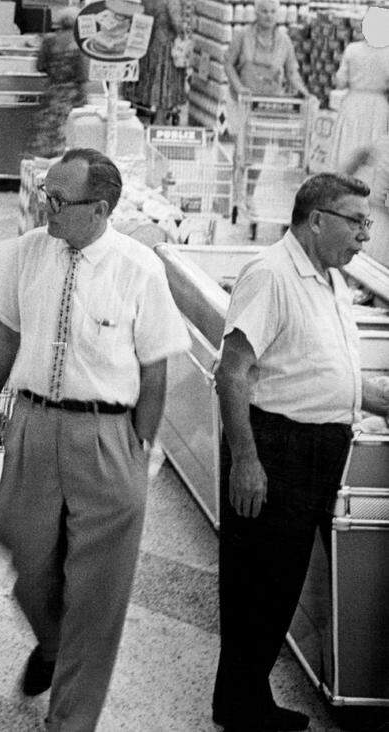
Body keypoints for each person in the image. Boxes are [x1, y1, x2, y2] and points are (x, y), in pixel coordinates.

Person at [0, 147, 190, 732]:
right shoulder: (29, 253)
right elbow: (5, 334)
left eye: (59, 201)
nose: (48, 208)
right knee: (23, 550)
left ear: (100, 209)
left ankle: (72, 719)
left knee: (98, 591)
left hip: (107, 435)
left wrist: (137, 453)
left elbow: (156, 371)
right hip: (34, 426)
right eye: (47, 195)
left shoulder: (139, 268)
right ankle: (51, 644)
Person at [212, 173, 389, 732]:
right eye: (355, 222)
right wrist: (245, 459)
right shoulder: (272, 275)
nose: (365, 235)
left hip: (319, 447)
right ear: (316, 220)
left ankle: (242, 701)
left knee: (281, 582)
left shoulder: (328, 278)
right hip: (276, 446)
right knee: (259, 583)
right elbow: (232, 373)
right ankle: (240, 708)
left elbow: (326, 371)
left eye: (369, 222)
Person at [125, 0, 187, 124]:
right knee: (164, 82)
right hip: (166, 43)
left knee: (150, 78)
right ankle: (159, 120)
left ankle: (144, 114)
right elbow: (176, 22)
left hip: (149, 40)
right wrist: (183, 32)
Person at [225, 0, 309, 100]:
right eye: (264, 11)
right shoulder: (243, 35)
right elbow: (228, 64)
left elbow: (292, 73)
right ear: (256, 14)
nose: (269, 16)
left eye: (273, 12)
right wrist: (239, 88)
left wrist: (305, 93)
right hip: (243, 101)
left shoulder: (285, 41)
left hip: (271, 101)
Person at [332, 33, 389, 183]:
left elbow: (341, 81)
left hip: (353, 102)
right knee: (374, 146)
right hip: (378, 105)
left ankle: (343, 183)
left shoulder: (352, 49)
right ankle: (369, 186)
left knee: (348, 144)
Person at [33, 7, 87, 156]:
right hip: (73, 98)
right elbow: (83, 75)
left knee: (48, 137)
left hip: (52, 94)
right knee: (70, 137)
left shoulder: (49, 41)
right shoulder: (80, 45)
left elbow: (40, 66)